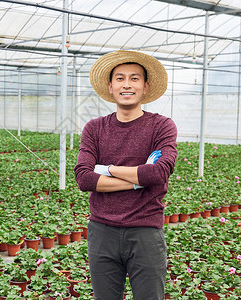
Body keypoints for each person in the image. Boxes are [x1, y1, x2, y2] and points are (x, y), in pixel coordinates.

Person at [74, 50, 178, 300]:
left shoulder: (162, 126)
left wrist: (107, 169)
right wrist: (137, 180)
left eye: (134, 78)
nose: (127, 84)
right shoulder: (95, 128)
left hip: (145, 232)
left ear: (145, 86)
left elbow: (160, 173)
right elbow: (84, 178)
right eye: (120, 78)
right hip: (101, 231)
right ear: (110, 87)